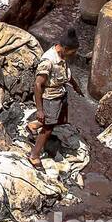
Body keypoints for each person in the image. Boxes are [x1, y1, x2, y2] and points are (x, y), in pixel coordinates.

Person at [28, 27, 81, 168]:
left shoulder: (63, 56)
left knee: (61, 119)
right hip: (50, 97)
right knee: (48, 128)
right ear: (64, 47)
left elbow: (65, 72)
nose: (74, 54)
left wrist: (75, 85)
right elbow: (38, 85)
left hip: (60, 93)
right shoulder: (48, 61)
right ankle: (34, 155)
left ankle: (34, 125)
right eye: (72, 51)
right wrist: (40, 110)